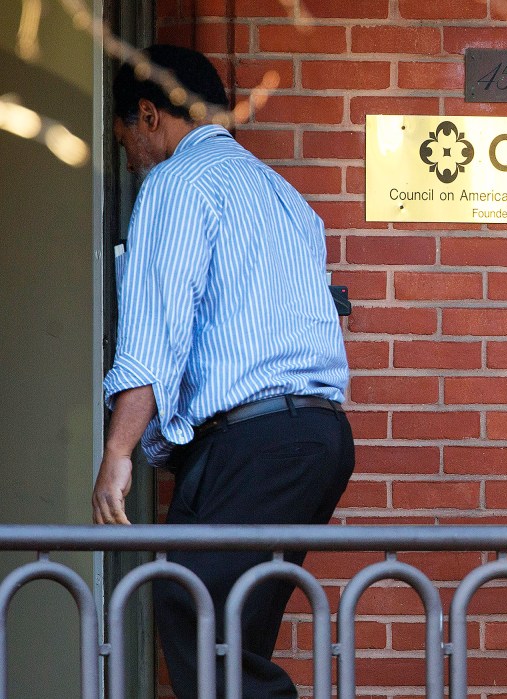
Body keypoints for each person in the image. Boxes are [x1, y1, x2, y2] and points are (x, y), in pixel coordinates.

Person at [94, 44, 355, 698]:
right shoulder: (284, 195)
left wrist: (119, 451)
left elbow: (154, 328)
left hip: (253, 441)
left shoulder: (177, 183)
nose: (125, 154)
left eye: (123, 134)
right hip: (316, 439)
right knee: (226, 631)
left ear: (148, 115)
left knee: (192, 609)